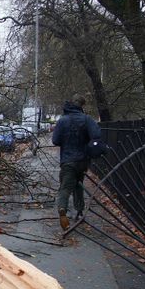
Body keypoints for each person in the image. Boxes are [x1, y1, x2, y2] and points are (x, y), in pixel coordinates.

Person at [52, 95, 102, 230]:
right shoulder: (86, 120)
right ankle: (79, 211)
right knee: (78, 184)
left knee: (65, 187)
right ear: (81, 106)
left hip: (68, 160)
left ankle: (62, 208)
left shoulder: (63, 121)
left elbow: (55, 140)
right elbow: (96, 135)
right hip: (82, 160)